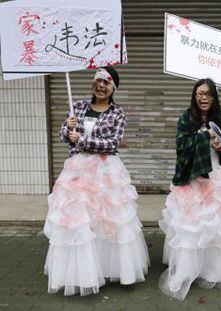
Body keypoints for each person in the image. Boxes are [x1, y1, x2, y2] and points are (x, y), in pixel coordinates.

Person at [43, 67, 150, 296]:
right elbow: (64, 135)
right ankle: (83, 271)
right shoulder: (79, 106)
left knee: (108, 220)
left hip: (106, 172)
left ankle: (112, 268)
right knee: (81, 220)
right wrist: (68, 128)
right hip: (78, 172)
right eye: (98, 81)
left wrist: (81, 139)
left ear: (113, 88)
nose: (101, 86)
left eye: (107, 83)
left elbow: (112, 143)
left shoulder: (117, 113)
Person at [159, 78, 221, 300]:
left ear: (214, 98)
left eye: (208, 94)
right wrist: (205, 136)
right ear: (194, 95)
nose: (203, 98)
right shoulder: (186, 118)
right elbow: (181, 146)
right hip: (193, 178)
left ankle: (216, 271)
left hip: (218, 178)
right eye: (200, 93)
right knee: (192, 227)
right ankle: (187, 271)